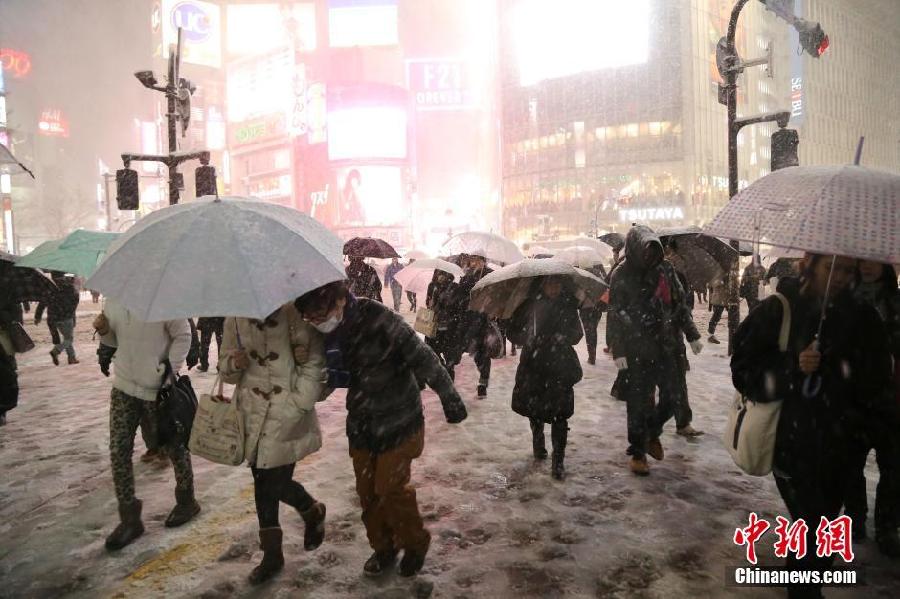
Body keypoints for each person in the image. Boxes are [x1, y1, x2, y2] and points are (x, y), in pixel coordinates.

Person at [731, 254, 895, 598]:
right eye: (832, 268)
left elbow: (878, 379)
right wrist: (792, 365)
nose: (840, 277)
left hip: (843, 446)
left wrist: (862, 419)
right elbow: (743, 369)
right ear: (810, 263)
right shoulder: (779, 308)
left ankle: (806, 585)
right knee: (811, 525)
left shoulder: (863, 317)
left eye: (849, 270)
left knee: (821, 530)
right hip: (791, 445)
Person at [295, 281, 467, 578]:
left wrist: (449, 396)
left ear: (339, 299)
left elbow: (420, 355)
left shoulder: (377, 317)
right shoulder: (323, 336)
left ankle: (414, 543)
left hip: (400, 419)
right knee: (367, 493)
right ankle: (383, 547)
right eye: (311, 317)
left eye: (321, 312)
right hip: (363, 423)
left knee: (390, 488)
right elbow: (326, 377)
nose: (318, 321)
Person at [219, 303, 329, 584]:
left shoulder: (295, 313)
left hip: (286, 412)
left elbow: (316, 361)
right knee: (262, 480)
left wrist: (300, 402)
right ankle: (278, 547)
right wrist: (234, 363)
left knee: (272, 482)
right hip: (253, 414)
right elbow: (225, 369)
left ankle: (300, 521)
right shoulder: (236, 314)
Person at [97, 299, 201, 551]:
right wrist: (104, 332)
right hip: (123, 386)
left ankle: (186, 500)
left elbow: (183, 335)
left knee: (174, 445)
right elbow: (114, 341)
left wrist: (167, 372)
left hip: (157, 389)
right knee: (118, 450)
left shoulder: (164, 299)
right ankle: (129, 519)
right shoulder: (113, 300)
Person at [606, 225, 703, 476]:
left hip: (666, 346)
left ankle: (651, 433)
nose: (650, 256)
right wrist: (619, 352)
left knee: (673, 398)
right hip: (637, 350)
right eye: (645, 250)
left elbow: (680, 305)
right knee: (639, 403)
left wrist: (692, 334)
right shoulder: (621, 275)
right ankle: (638, 452)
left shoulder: (666, 270)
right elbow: (615, 315)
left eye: (653, 249)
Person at [845, 260, 900, 557]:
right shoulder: (845, 299)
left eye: (874, 261)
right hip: (853, 396)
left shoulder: (895, 301)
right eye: (862, 260)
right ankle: (854, 517)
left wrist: (886, 338)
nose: (868, 266)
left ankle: (887, 525)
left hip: (890, 399)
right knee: (851, 464)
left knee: (894, 467)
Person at [507, 276, 584, 479]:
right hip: (534, 366)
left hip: (560, 366)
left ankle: (558, 461)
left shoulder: (568, 305)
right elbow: (512, 332)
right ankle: (538, 442)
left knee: (560, 415)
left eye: (557, 283)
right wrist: (527, 336)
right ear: (541, 284)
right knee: (535, 409)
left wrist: (563, 337)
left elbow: (577, 334)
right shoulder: (527, 305)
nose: (554, 287)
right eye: (550, 283)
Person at [455, 252, 494, 398]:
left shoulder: (491, 275)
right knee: (476, 354)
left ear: (483, 261)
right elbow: (460, 295)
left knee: (483, 353)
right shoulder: (468, 276)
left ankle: (483, 383)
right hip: (469, 321)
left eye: (477, 259)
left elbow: (497, 295)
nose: (474, 262)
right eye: (473, 259)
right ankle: (483, 375)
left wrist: (490, 306)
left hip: (484, 320)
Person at [424, 269, 465, 379]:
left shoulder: (455, 287)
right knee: (431, 349)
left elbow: (457, 306)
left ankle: (449, 372)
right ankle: (442, 366)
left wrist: (443, 304)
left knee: (449, 352)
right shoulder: (432, 286)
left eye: (442, 274)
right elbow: (428, 302)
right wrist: (430, 303)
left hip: (449, 325)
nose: (439, 276)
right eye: (437, 274)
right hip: (434, 325)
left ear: (447, 275)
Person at [35, 271, 80, 365]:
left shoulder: (49, 288)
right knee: (69, 339)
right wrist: (71, 313)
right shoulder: (69, 287)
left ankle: (71, 358)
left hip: (53, 318)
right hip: (66, 317)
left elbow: (42, 303)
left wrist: (37, 316)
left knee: (66, 338)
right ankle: (56, 351)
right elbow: (75, 301)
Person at [0, 293, 23, 426]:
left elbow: (15, 318)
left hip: (4, 341)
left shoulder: (7, 295)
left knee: (7, 374)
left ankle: (2, 410)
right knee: (7, 374)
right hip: (4, 342)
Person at [578, 263, 608, 365]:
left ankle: (591, 356)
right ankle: (592, 354)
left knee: (589, 331)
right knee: (593, 330)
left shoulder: (583, 275)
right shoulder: (599, 274)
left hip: (586, 308)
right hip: (597, 308)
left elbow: (579, 295)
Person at [707, 266, 739, 353]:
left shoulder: (729, 271)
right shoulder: (719, 271)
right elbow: (712, 284)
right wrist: (722, 282)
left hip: (726, 299)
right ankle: (710, 334)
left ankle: (734, 334)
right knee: (716, 316)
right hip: (719, 299)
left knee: (732, 316)